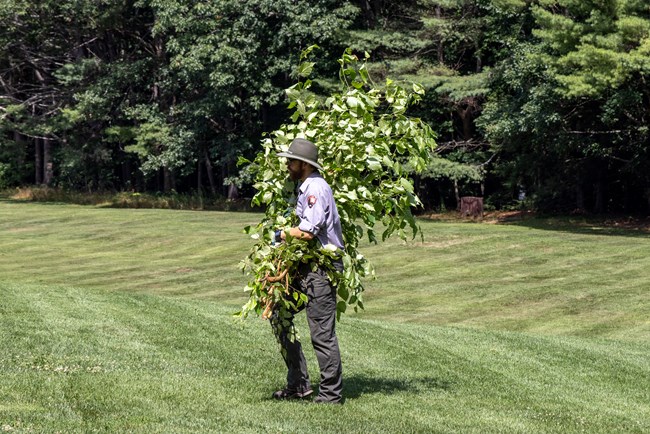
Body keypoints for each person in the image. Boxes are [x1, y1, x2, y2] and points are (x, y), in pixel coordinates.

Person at [271, 138, 344, 404]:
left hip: (322, 269)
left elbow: (306, 232)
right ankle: (299, 385)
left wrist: (279, 235)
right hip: (306, 267)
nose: (287, 164)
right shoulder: (304, 187)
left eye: (290, 160)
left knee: (321, 333)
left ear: (303, 164)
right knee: (280, 315)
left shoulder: (316, 188)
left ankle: (331, 395)